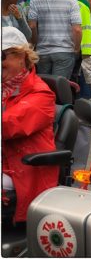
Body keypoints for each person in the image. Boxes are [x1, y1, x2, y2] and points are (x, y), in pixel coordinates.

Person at [2, 27, 58, 223]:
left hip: (23, 172)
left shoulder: (41, 94)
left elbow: (8, 125)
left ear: (22, 57)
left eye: (3, 56)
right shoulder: (4, 89)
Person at [28, 0, 82, 78]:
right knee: (60, 87)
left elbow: (32, 26)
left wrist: (35, 44)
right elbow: (77, 29)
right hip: (64, 51)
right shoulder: (71, 0)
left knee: (45, 87)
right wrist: (76, 48)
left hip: (42, 52)